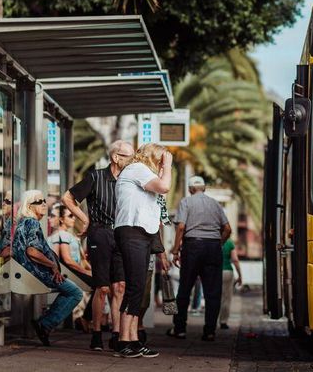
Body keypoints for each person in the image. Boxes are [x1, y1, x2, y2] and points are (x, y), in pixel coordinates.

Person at [62, 140, 134, 352]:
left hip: (122, 234)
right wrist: (85, 219)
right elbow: (67, 197)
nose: (132, 160)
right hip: (100, 234)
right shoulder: (96, 177)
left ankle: (116, 335)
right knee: (102, 288)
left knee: (119, 287)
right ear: (116, 157)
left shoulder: (131, 180)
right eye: (129, 156)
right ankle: (95, 333)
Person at [113, 143, 171, 358]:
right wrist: (169, 165)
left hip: (142, 233)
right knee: (135, 286)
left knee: (139, 287)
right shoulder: (137, 168)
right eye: (160, 160)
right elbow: (165, 187)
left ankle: (134, 340)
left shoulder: (143, 173)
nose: (161, 164)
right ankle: (123, 340)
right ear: (152, 157)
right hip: (132, 232)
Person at [13, 189, 82, 347]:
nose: (44, 204)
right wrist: (52, 265)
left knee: (70, 291)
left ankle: (45, 323)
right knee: (75, 292)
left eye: (44, 201)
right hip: (37, 272)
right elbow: (31, 251)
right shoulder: (31, 222)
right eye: (39, 202)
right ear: (29, 206)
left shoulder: (25, 222)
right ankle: (45, 324)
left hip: (33, 271)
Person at [167, 176, 232, 341]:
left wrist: (176, 250)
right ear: (204, 188)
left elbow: (181, 227)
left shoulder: (186, 202)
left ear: (190, 189)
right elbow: (227, 229)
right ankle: (210, 331)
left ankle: (180, 328)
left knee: (185, 289)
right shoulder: (215, 204)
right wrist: (219, 243)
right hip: (212, 247)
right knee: (213, 292)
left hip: (193, 247)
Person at [48, 204, 93, 331]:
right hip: (70, 272)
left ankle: (87, 318)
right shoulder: (62, 235)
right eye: (70, 216)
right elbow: (67, 260)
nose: (74, 219)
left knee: (102, 284)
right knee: (100, 285)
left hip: (74, 270)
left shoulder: (69, 235)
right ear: (62, 219)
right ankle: (86, 318)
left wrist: (91, 270)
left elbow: (81, 259)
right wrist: (87, 272)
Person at [219, 238, 242, 330]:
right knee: (226, 298)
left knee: (213, 298)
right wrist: (240, 275)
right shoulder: (229, 243)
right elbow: (235, 259)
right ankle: (223, 322)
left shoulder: (213, 240)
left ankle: (210, 322)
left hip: (213, 272)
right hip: (227, 272)